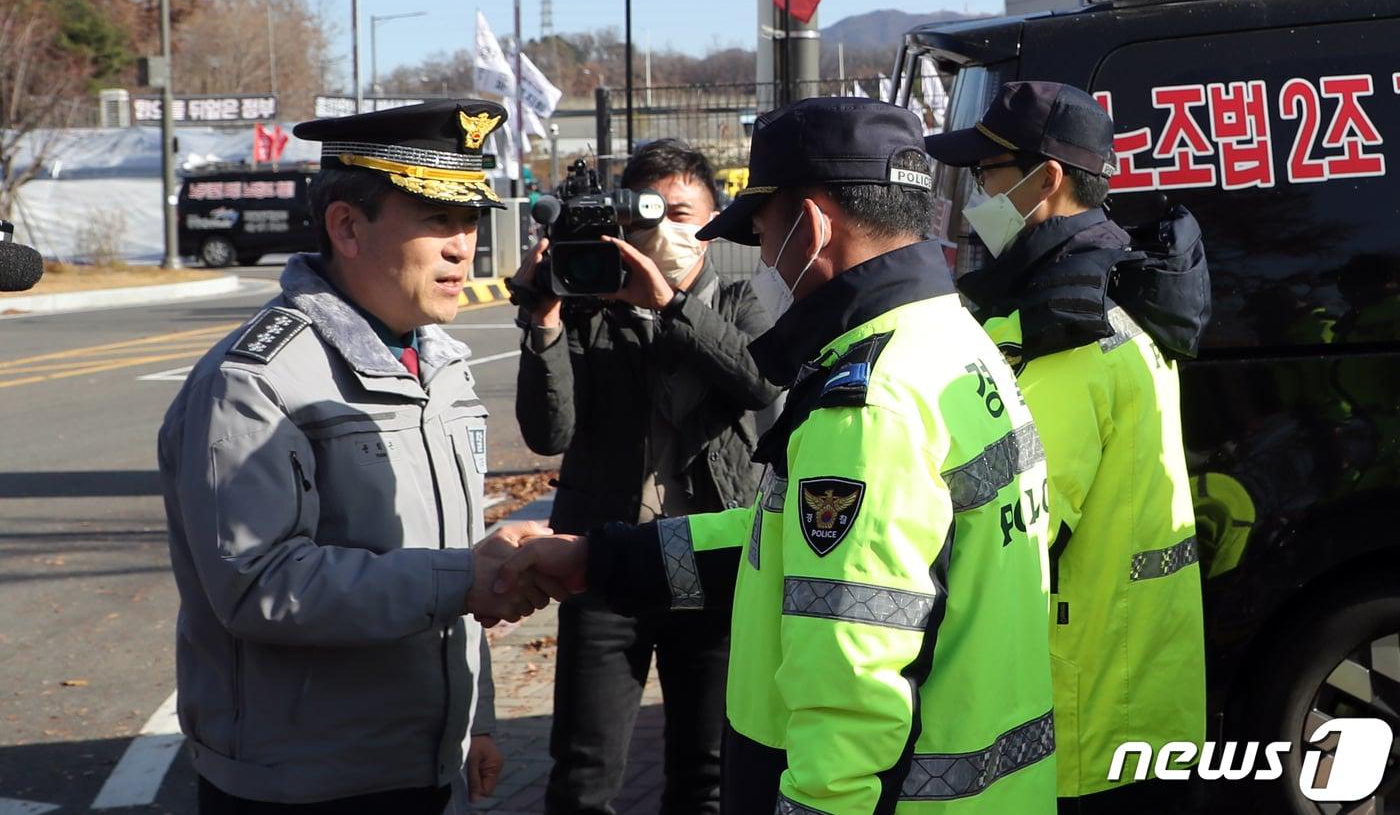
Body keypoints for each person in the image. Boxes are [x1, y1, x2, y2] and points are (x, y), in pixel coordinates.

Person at [502, 98, 1059, 813]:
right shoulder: (956, 341)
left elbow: (851, 701)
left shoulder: (869, 403)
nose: (763, 255)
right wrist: (600, 560)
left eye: (762, 231)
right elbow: (790, 541)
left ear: (813, 226)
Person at [158, 100, 559, 814]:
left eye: (469, 221)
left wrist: (476, 719)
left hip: (426, 765)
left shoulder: (440, 364)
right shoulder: (255, 379)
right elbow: (259, 583)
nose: (463, 246)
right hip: (306, 782)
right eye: (437, 220)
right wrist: (465, 576)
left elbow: (450, 561)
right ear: (347, 225)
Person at [925, 80, 1210, 814]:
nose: (974, 197)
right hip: (1138, 677)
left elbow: (1018, 529)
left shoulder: (1064, 326)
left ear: (1043, 180)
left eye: (986, 177)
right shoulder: (1126, 286)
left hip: (1077, 708)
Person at [511, 138, 780, 814]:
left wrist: (672, 302)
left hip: (708, 560)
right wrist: (544, 319)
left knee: (707, 772)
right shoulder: (590, 309)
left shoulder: (744, 301)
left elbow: (757, 383)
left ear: (714, 225)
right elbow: (550, 433)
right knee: (583, 771)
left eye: (681, 213)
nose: (664, 231)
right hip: (604, 553)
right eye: (647, 216)